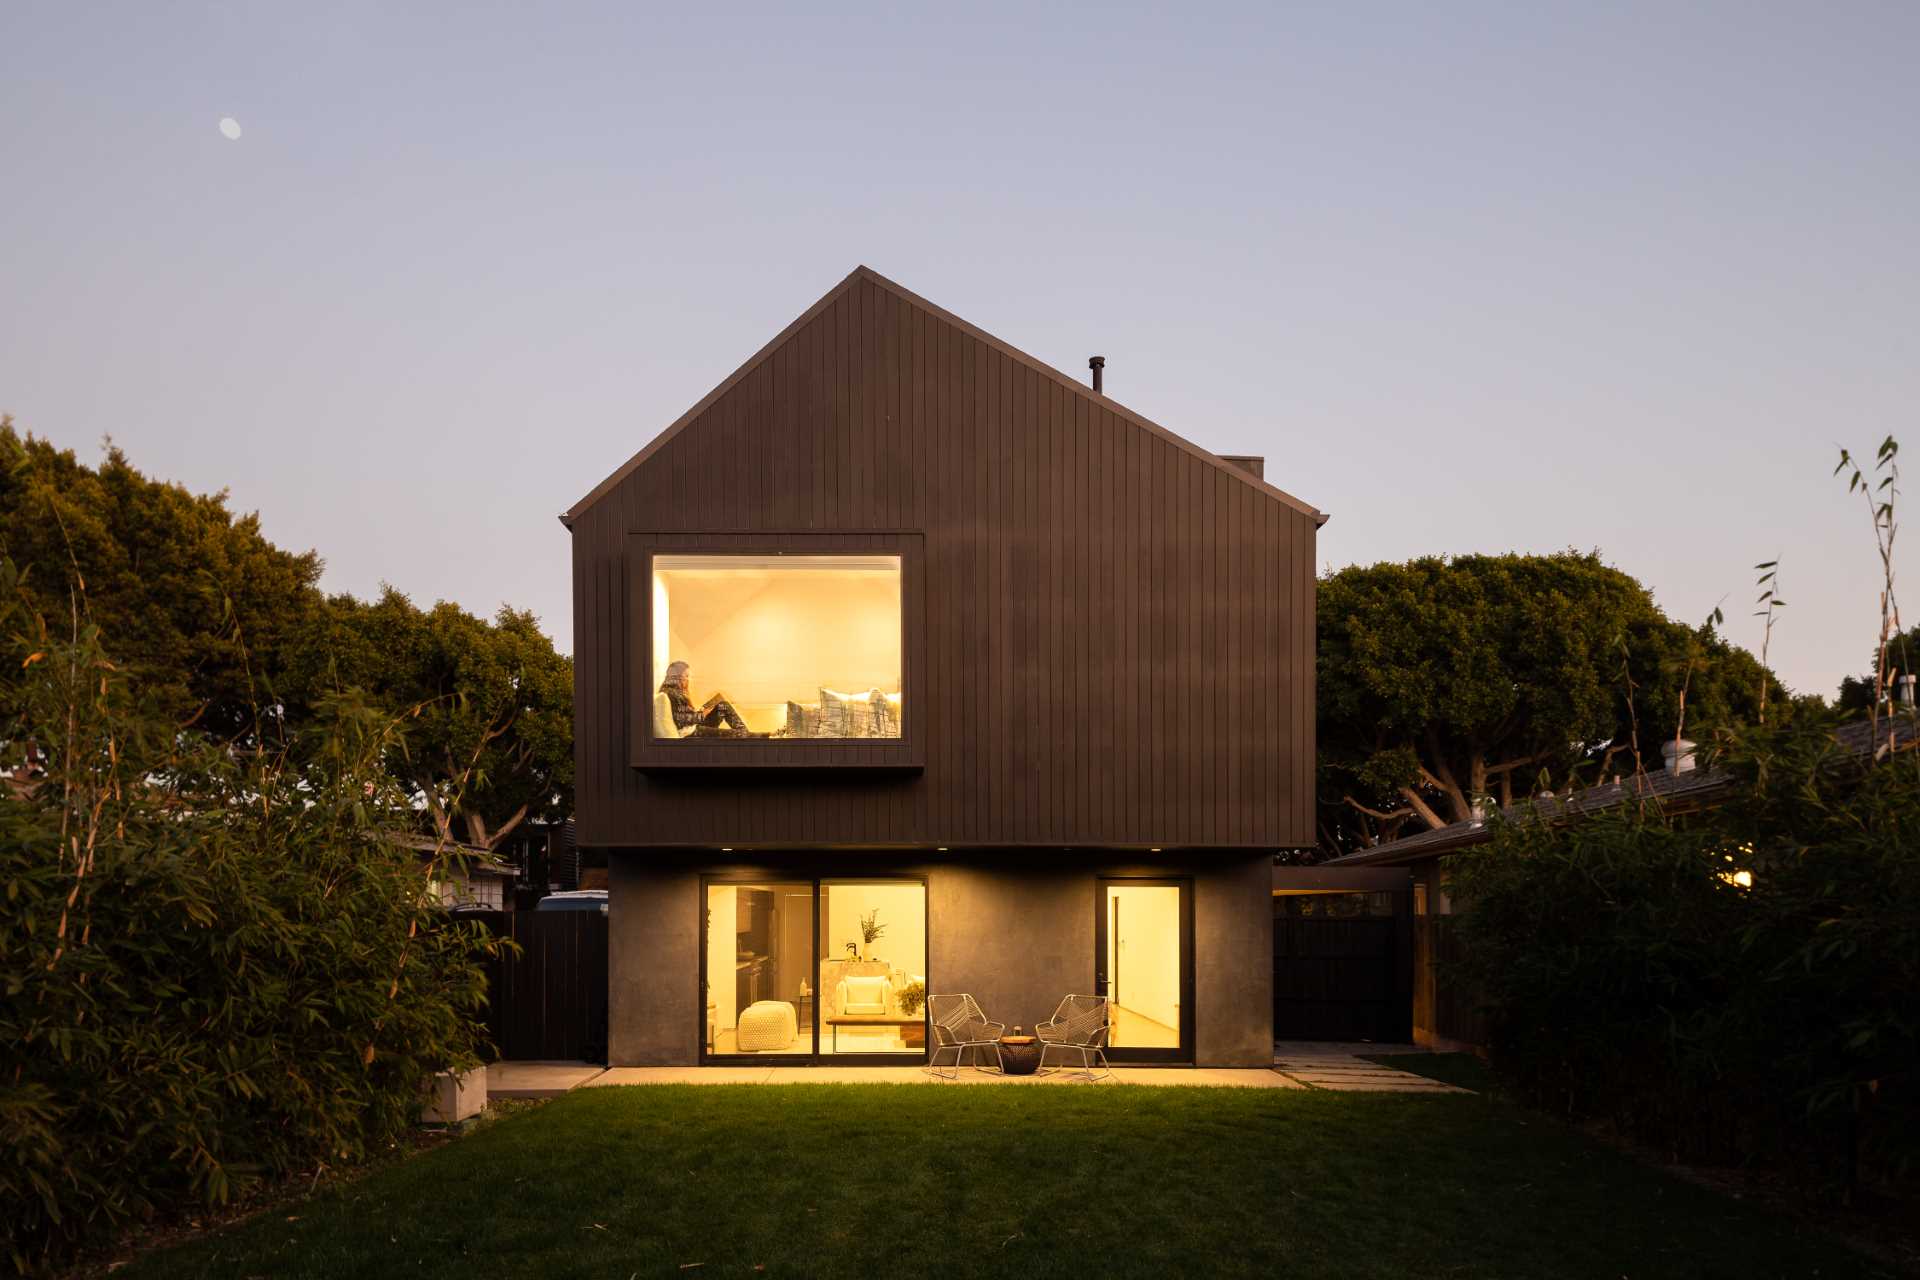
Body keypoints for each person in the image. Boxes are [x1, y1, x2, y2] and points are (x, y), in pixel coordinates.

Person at [659, 661, 747, 733]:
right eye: (686, 676)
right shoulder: (671, 693)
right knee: (735, 733)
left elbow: (684, 715)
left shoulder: (673, 691)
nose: (688, 679)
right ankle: (746, 736)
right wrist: (702, 714)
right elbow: (681, 721)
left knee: (723, 705)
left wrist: (700, 712)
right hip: (691, 732)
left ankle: (746, 735)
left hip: (694, 725)